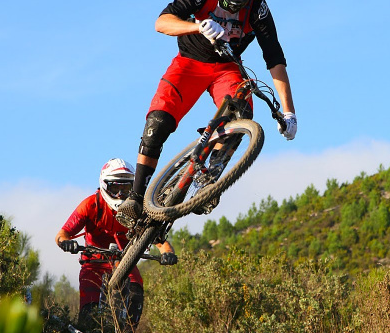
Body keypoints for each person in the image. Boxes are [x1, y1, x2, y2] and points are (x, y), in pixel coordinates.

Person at [117, 0, 298, 227]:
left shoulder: (257, 8)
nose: (233, 10)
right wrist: (197, 26)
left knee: (241, 112)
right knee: (158, 122)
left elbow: (274, 57)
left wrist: (288, 112)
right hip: (189, 62)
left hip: (227, 67)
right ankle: (136, 197)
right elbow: (161, 22)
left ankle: (208, 181)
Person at [55, 158, 178, 330]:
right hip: (94, 263)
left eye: (125, 188)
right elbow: (62, 234)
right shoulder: (90, 205)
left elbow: (157, 238)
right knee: (89, 315)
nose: (120, 194)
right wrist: (66, 243)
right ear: (104, 186)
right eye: (115, 187)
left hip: (125, 260)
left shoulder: (137, 208)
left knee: (135, 296)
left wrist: (167, 252)